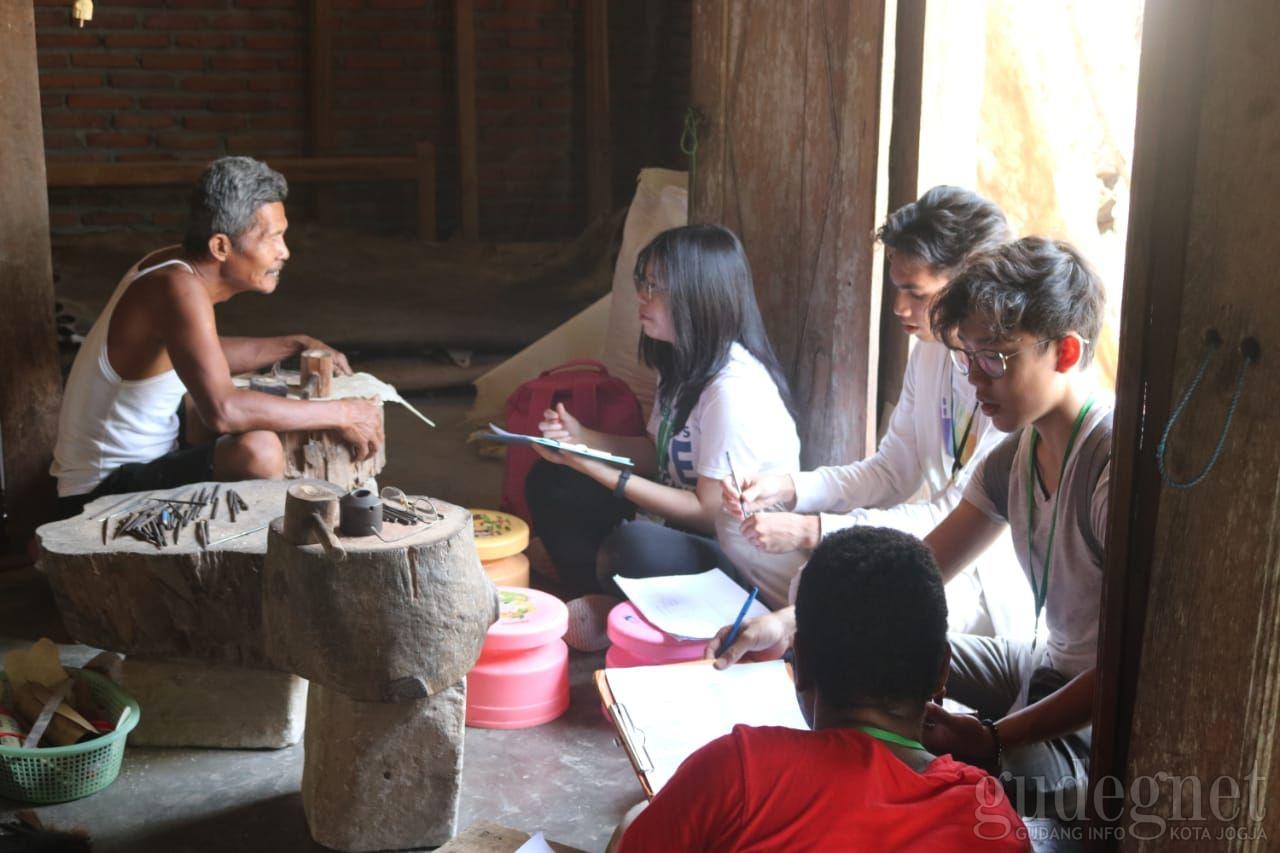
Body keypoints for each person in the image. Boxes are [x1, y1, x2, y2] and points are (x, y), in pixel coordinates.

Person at [710, 237, 1110, 817]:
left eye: (994, 357)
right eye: (967, 357)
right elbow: (919, 572)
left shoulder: (1107, 466)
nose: (975, 378)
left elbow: (1127, 671)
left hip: (1093, 716)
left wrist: (997, 739)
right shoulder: (1015, 457)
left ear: (1066, 353)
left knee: (951, 766)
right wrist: (796, 624)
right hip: (1041, 662)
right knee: (868, 658)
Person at [721, 185, 1031, 636]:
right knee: (744, 538)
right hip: (932, 553)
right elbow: (890, 470)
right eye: (897, 288)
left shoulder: (1009, 380)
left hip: (984, 582)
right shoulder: (930, 352)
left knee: (819, 586)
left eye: (917, 293)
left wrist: (813, 530)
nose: (900, 308)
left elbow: (954, 515)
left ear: (970, 286)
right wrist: (787, 487)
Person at [611, 527, 1029, 852]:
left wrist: (636, 822)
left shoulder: (737, 770)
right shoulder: (987, 815)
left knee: (635, 817)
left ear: (802, 664)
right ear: (942, 673)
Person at [51, 156, 383, 518]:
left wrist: (294, 344)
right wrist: (343, 413)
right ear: (221, 247)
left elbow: (200, 352)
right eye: (272, 238)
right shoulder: (177, 287)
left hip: (146, 461)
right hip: (100, 495)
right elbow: (224, 412)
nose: (284, 252)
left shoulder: (171, 267)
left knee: (222, 407)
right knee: (258, 450)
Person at [524, 224, 800, 640]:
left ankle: (617, 607)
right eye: (644, 283)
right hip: (675, 526)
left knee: (636, 547)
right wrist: (583, 438)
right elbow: (659, 452)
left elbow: (709, 515)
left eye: (656, 287)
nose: (642, 297)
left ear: (698, 297)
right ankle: (607, 601)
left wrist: (600, 470)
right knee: (553, 479)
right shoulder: (682, 364)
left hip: (737, 561)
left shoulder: (733, 392)